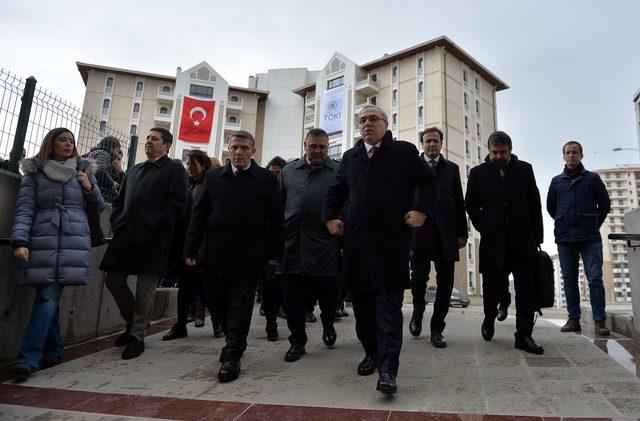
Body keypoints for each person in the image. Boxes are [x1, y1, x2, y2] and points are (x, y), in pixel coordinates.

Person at [324, 105, 438, 394]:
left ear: (385, 125)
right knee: (362, 309)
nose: (367, 124)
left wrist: (421, 212)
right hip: (357, 246)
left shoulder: (403, 152)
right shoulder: (350, 157)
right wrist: (329, 217)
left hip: (391, 245)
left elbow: (429, 183)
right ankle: (372, 352)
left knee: (388, 309)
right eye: (362, 120)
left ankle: (388, 370)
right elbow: (336, 190)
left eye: (373, 119)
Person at [184, 130, 283, 382]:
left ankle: (233, 355)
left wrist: (274, 253)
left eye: (244, 148)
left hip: (249, 256)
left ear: (253, 151)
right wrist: (190, 248)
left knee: (240, 305)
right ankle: (233, 341)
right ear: (229, 149)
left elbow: (276, 219)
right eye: (235, 147)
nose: (239, 152)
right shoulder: (214, 177)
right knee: (219, 304)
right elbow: (199, 215)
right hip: (215, 254)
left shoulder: (265, 179)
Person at [10, 128, 105, 381]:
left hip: (73, 237)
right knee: (47, 297)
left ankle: (26, 359)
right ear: (50, 144)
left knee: (47, 297)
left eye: (72, 140)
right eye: (63, 140)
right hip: (43, 237)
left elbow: (100, 204)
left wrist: (88, 186)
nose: (69, 144)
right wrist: (19, 240)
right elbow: (25, 207)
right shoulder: (35, 171)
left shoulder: (84, 169)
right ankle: (53, 350)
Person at [99, 127, 187, 360]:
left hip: (153, 239)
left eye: (154, 139)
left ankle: (136, 336)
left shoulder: (175, 169)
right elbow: (119, 203)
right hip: (125, 236)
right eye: (147, 138)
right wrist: (118, 222)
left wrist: (156, 225)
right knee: (113, 279)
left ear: (167, 146)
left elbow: (178, 205)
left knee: (145, 290)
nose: (148, 142)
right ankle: (135, 322)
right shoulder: (135, 170)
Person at [465, 131, 544, 354]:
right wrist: (484, 225)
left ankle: (524, 336)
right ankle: (489, 318)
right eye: (495, 152)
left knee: (526, 289)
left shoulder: (525, 169)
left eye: (503, 152)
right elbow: (470, 204)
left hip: (523, 241)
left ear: (510, 150)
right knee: (492, 287)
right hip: (493, 240)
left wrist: (538, 238)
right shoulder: (477, 173)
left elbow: (534, 204)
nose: (499, 156)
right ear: (488, 151)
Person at [280, 128, 341, 362]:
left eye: (322, 147)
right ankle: (297, 342)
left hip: (325, 247)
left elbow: (347, 202)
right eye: (312, 146)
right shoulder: (288, 171)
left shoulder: (337, 171)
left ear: (327, 148)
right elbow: (279, 206)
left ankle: (328, 326)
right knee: (293, 301)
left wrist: (338, 224)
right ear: (305, 145)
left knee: (327, 299)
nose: (317, 151)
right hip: (292, 246)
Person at [409, 127, 467, 348]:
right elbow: (405, 199)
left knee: (446, 284)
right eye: (427, 141)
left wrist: (462, 232)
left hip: (446, 233)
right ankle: (417, 313)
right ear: (422, 144)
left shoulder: (452, 169)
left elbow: (458, 202)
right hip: (419, 232)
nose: (431, 144)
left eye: (435, 141)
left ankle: (437, 329)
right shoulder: (412, 167)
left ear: (441, 144)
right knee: (418, 281)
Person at [547, 141, 611, 335]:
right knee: (569, 280)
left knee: (595, 278)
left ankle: (600, 321)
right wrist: (563, 219)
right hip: (565, 238)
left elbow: (604, 205)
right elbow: (551, 208)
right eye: (568, 152)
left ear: (581, 155)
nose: (571, 155)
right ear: (563, 156)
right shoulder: (556, 181)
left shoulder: (592, 179)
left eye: (575, 152)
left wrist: (592, 223)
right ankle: (573, 319)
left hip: (590, 238)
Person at [163, 150, 223, 341]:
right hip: (186, 246)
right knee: (185, 288)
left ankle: (217, 320)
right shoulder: (190, 186)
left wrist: (200, 249)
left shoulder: (209, 187)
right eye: (187, 164)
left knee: (201, 287)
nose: (188, 168)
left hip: (201, 248)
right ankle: (181, 324)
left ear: (203, 165)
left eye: (192, 164)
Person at [260, 155, 288, 340]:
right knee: (266, 286)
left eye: (278, 173)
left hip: (278, 247)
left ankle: (273, 321)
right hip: (259, 246)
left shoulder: (286, 192)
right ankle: (270, 321)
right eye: (272, 173)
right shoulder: (260, 189)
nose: (275, 177)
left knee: (275, 285)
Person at [84, 136, 121, 203]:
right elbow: (100, 170)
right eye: (117, 150)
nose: (117, 154)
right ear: (112, 147)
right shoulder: (104, 153)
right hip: (98, 195)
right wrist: (112, 183)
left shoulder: (92, 153)